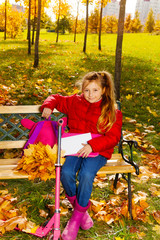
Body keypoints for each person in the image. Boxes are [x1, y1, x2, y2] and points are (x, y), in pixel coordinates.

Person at [41, 71, 122, 240]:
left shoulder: (111, 109)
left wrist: (92, 145)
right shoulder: (74, 102)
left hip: (99, 149)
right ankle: (82, 212)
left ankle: (75, 220)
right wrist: (48, 105)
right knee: (66, 173)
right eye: (86, 90)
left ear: (104, 90)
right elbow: (55, 98)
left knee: (86, 174)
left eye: (95, 90)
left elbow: (113, 137)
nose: (90, 95)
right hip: (76, 146)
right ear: (82, 89)